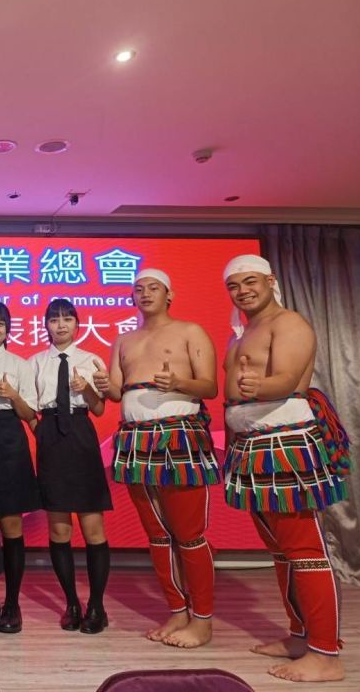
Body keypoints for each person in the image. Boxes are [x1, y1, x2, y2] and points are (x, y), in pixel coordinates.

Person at [221, 254, 349, 683]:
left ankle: (325, 654)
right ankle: (300, 635)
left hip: (286, 442)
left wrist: (261, 385)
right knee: (281, 551)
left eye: (250, 281)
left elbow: (289, 380)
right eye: (234, 285)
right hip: (252, 446)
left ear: (270, 280)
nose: (242, 290)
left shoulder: (288, 323)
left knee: (305, 550)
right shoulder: (243, 335)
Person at [94, 269, 219, 648]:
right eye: (138, 288)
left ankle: (202, 619)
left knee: (189, 534)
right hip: (135, 439)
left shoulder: (190, 331)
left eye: (153, 287)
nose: (145, 293)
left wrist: (178, 383)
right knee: (157, 534)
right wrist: (104, 386)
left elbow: (209, 386)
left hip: (179, 433)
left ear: (170, 294)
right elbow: (116, 393)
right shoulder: (123, 340)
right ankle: (177, 611)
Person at [27, 298, 112, 634]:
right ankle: (72, 603)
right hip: (50, 436)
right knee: (59, 530)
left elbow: (100, 409)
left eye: (67, 319)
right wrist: (40, 431)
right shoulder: (35, 362)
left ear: (77, 324)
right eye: (54, 319)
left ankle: (97, 606)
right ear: (45, 325)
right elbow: (29, 406)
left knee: (93, 529)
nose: (60, 325)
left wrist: (86, 388)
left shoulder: (91, 360)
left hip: (81, 435)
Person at [0, 301, 42, 634]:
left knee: (11, 525)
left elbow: (30, 414)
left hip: (9, 442)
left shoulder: (20, 364)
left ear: (8, 329)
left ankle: (12, 603)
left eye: (0, 323)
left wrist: (13, 395)